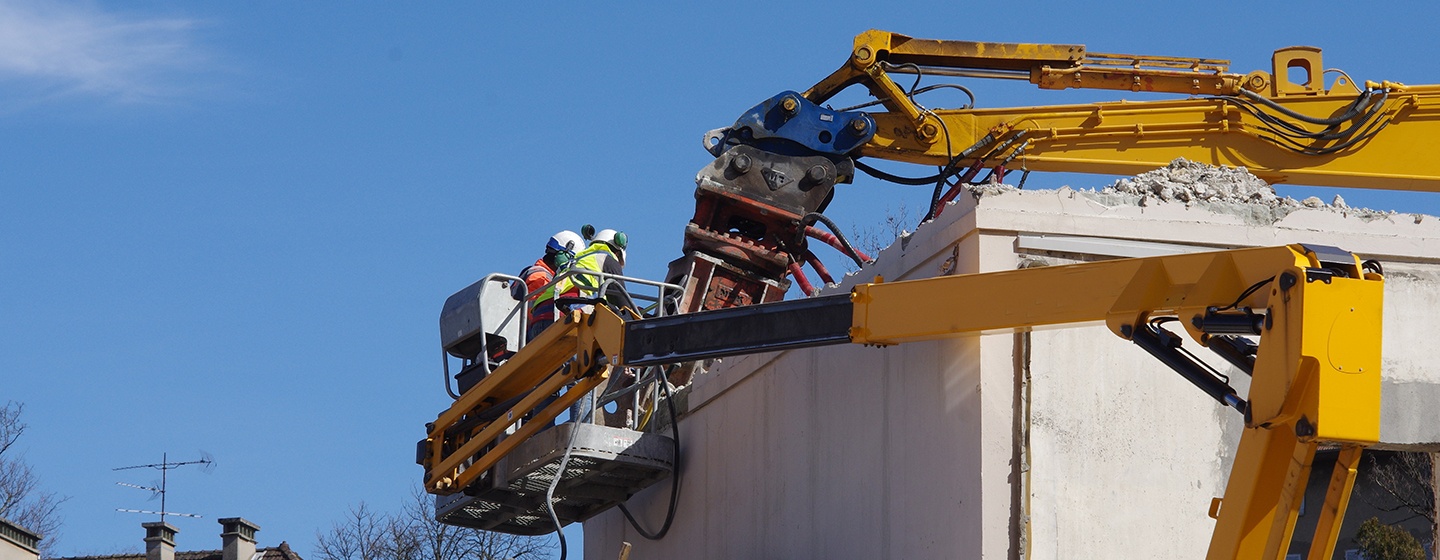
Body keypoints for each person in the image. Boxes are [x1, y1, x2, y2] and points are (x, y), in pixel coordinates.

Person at [512, 230, 584, 342]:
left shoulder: (535, 271)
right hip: (520, 339)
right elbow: (535, 315)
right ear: (564, 256)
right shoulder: (541, 277)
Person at [567, 225, 636, 314]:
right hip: (582, 307)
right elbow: (622, 301)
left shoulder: (575, 261)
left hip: (558, 306)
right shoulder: (607, 260)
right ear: (617, 253)